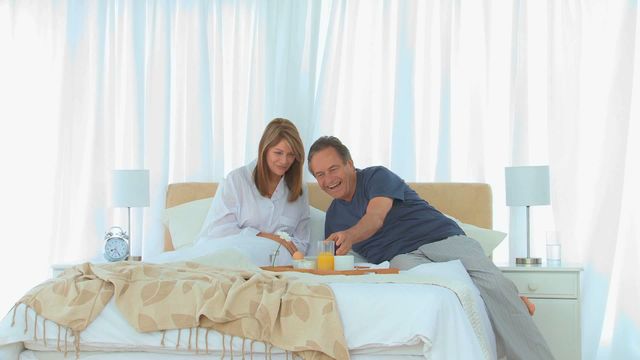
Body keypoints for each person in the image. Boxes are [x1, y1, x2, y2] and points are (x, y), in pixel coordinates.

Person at [307, 136, 554, 360]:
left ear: (349, 163)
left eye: (333, 169)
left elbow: (376, 217)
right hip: (401, 259)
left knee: (496, 285)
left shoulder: (375, 177)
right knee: (452, 296)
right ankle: (504, 300)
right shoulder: (334, 217)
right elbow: (344, 262)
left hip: (442, 239)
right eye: (319, 175)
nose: (328, 180)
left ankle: (509, 307)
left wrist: (350, 235)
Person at [197, 118, 310, 256]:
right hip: (233, 258)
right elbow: (219, 232)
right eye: (278, 153)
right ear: (265, 149)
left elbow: (302, 243)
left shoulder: (300, 191)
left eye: (291, 154)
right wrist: (265, 237)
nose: (284, 161)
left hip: (278, 265)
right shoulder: (237, 180)